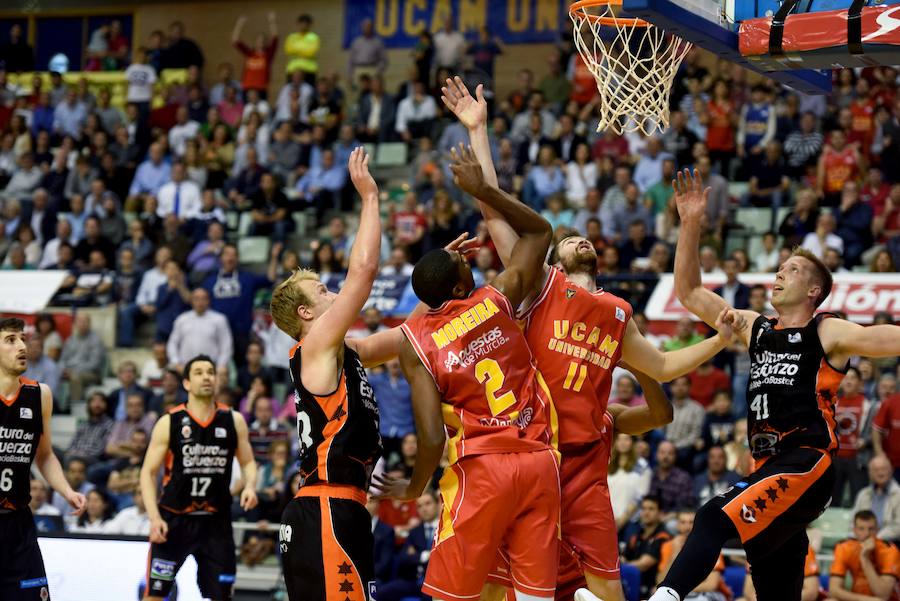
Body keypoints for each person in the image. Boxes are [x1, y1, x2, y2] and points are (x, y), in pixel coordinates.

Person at [441, 76, 742, 601]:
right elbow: (495, 215)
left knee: (608, 592)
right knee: (510, 590)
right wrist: (479, 129)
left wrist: (718, 340)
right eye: (570, 235)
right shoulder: (538, 287)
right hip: (534, 456)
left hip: (587, 465)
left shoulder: (618, 313)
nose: (582, 235)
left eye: (587, 236)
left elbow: (665, 369)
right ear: (553, 258)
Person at [653, 166, 900, 601]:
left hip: (806, 461)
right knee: (775, 589)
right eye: (780, 268)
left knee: (711, 517)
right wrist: (690, 224)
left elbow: (888, 339)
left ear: (813, 290)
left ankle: (663, 597)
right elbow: (690, 292)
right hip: (767, 468)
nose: (779, 274)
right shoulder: (754, 326)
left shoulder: (828, 332)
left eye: (792, 269)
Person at [377, 144, 561, 601]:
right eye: (465, 263)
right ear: (461, 286)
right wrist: (483, 191)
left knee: (451, 594)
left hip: (482, 471)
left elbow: (433, 438)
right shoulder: (496, 298)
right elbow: (541, 231)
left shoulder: (416, 344)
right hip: (539, 462)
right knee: (534, 595)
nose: (473, 261)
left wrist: (415, 486)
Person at [269, 148, 416, 601]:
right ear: (306, 312)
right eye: (322, 290)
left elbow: (404, 337)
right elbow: (364, 271)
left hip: (339, 508)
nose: (334, 292)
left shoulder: (342, 351)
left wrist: (436, 284)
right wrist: (371, 199)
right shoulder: (315, 346)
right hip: (325, 507)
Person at [140, 354, 258, 601]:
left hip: (216, 523)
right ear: (186, 383)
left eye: (210, 372)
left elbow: (247, 462)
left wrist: (250, 486)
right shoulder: (169, 422)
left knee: (222, 596)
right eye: (199, 372)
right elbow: (148, 473)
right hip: (174, 520)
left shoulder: (233, 420)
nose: (206, 377)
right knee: (154, 595)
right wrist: (153, 518)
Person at [0, 318, 87, 600]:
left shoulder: (40, 395)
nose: (22, 346)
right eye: (11, 340)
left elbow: (45, 455)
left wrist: (66, 490)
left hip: (19, 521)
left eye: (23, 338)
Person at [657, 509, 731, 601]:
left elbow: (711, 584)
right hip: (679, 592)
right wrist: (674, 554)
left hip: (709, 593)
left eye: (691, 522)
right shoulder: (668, 546)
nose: (687, 527)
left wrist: (677, 589)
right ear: (677, 525)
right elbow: (660, 581)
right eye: (683, 522)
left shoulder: (711, 544)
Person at [828, 510, 900, 601]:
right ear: (854, 530)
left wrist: (865, 558)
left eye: (871, 529)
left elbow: (883, 595)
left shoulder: (889, 551)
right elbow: (833, 590)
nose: (866, 534)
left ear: (877, 530)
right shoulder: (844, 548)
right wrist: (864, 599)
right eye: (861, 529)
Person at [623, 496, 672, 599]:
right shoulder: (636, 535)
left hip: (651, 590)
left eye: (651, 509)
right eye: (644, 508)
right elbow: (623, 557)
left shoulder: (663, 536)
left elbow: (643, 564)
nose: (646, 513)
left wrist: (622, 565)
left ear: (660, 513)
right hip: (631, 585)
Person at [851, 455, 900, 543]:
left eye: (883, 469)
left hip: (890, 543)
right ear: (870, 473)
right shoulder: (863, 494)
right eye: (876, 470)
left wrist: (875, 539)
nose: (880, 473)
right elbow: (853, 521)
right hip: (863, 541)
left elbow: (898, 526)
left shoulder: (898, 494)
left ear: (891, 471)